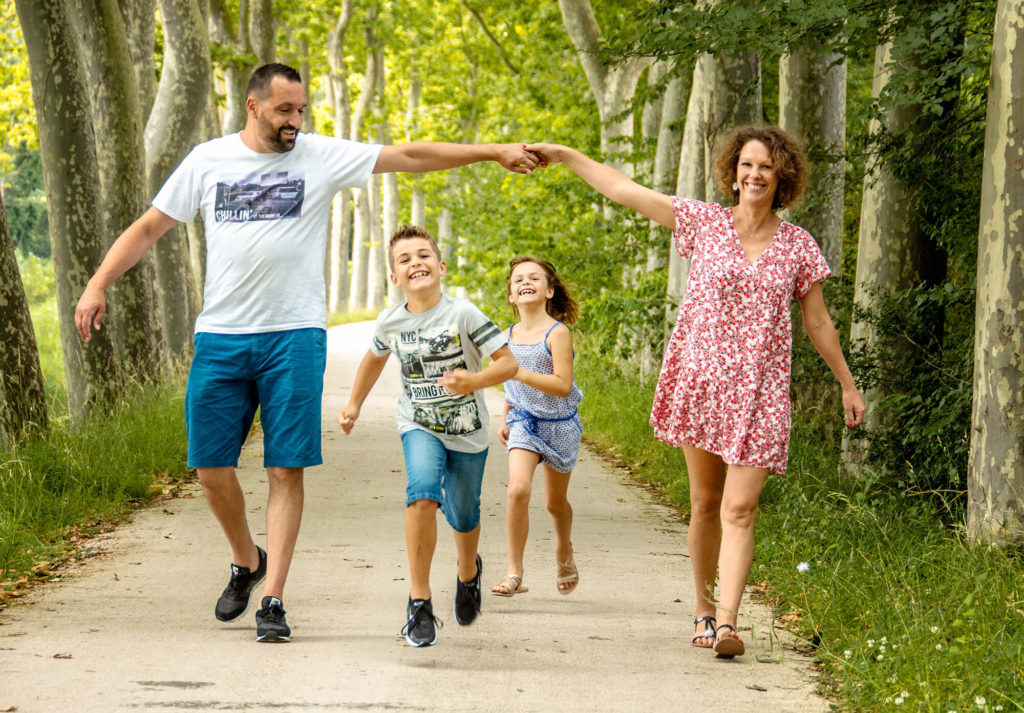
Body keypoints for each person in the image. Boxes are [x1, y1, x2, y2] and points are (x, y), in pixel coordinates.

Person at [73, 63, 539, 643]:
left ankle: (274, 600)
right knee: (209, 467)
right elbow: (147, 228)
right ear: (253, 106)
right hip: (221, 335)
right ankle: (247, 560)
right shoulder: (207, 160)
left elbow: (410, 155)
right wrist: (97, 284)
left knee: (283, 466)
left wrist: (492, 151)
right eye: (285, 111)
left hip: (295, 335)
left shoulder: (318, 155)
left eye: (301, 110)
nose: (296, 121)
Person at [525, 126, 865, 658]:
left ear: (783, 178)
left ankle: (729, 624)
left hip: (759, 391)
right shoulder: (704, 223)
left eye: (767, 168)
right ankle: (705, 613)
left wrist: (847, 383)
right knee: (705, 504)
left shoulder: (798, 245)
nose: (755, 175)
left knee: (741, 508)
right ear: (733, 172)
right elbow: (624, 190)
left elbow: (818, 322)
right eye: (747, 165)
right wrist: (566, 155)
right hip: (701, 384)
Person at [337, 225, 517, 647]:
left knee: (464, 513)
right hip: (417, 423)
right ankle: (419, 600)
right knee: (421, 492)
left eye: (423, 255)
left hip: (467, 431)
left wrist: (473, 380)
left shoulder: (464, 314)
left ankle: (468, 571)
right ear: (395, 278)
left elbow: (507, 365)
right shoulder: (392, 320)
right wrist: (353, 404)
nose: (415, 262)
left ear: (441, 265)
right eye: (404, 259)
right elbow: (373, 359)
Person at [490, 256, 582, 598]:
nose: (525, 282)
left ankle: (563, 549)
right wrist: (505, 415)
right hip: (523, 422)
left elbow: (561, 384)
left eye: (534, 278)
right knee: (517, 489)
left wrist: (515, 372)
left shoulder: (558, 333)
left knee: (554, 504)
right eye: (518, 280)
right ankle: (514, 571)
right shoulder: (505, 337)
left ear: (549, 290)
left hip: (560, 424)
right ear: (512, 295)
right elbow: (511, 387)